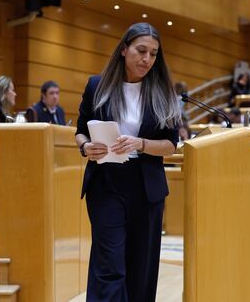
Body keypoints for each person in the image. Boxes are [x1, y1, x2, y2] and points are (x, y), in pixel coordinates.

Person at [75, 22, 181, 302]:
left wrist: (141, 144)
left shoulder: (163, 93)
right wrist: (86, 147)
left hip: (146, 187)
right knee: (109, 263)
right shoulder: (96, 86)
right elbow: (80, 130)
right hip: (106, 182)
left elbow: (171, 145)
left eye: (153, 54)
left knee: (141, 265)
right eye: (141, 50)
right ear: (124, 49)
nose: (147, 59)